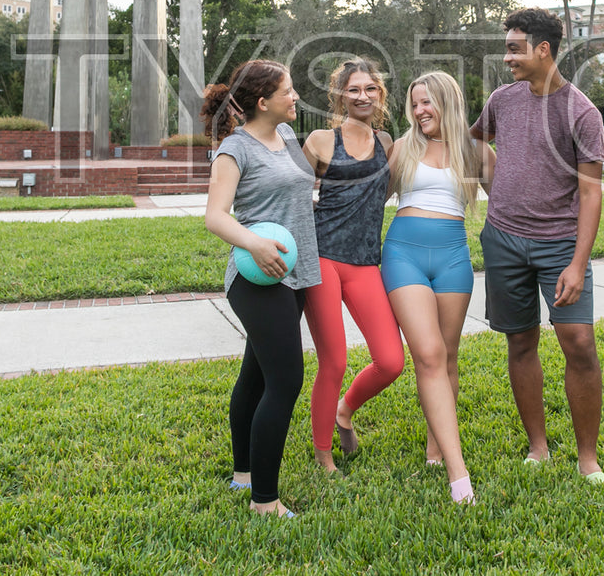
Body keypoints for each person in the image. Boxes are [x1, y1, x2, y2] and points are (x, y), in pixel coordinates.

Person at [470, 7, 604, 485]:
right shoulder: (501, 101)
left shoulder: (582, 112)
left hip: (559, 245)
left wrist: (577, 262)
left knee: (580, 343)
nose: (507, 57)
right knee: (521, 340)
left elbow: (590, 192)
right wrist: (496, 180)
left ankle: (587, 459)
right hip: (504, 239)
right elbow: (469, 140)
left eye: (514, 48)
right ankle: (539, 446)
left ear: (542, 50)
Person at [201, 59, 321, 518]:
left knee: (255, 374)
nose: (296, 97)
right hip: (256, 276)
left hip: (295, 270)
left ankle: (243, 474)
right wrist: (255, 243)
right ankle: (264, 501)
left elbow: (297, 189)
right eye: (289, 91)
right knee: (286, 380)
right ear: (263, 101)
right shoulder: (234, 149)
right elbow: (215, 215)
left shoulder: (288, 137)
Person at [383, 70, 495, 504]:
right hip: (403, 254)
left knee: (447, 359)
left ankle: (436, 446)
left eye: (426, 102)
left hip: (453, 259)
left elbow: (508, 205)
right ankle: (458, 474)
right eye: (414, 104)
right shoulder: (402, 148)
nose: (419, 111)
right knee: (427, 354)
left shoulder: (477, 153)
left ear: (447, 102)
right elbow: (369, 202)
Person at [301, 58, 405, 473]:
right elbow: (290, 190)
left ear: (380, 94)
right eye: (354, 89)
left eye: (370, 89)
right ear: (340, 94)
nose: (363, 96)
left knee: (391, 361)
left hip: (365, 263)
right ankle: (324, 453)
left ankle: (344, 411)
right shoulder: (322, 140)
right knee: (335, 361)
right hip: (324, 257)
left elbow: (389, 193)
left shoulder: (387, 142)